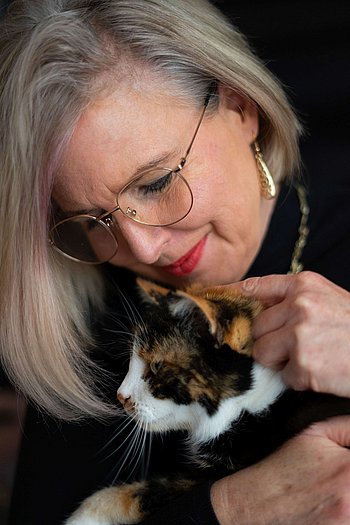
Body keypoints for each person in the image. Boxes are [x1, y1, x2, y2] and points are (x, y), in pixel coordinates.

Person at [0, 0, 350, 523]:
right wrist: (234, 507)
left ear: (240, 107)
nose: (143, 251)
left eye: (158, 182)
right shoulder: (96, 325)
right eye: (95, 221)